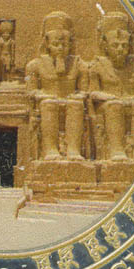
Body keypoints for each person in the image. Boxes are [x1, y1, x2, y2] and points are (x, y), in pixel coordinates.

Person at [88, 11, 134, 161]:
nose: (120, 49)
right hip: (109, 105)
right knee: (115, 106)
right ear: (105, 46)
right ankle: (117, 150)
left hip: (130, 102)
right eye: (115, 45)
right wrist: (109, 97)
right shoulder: (98, 65)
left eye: (124, 45)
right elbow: (93, 93)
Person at [26, 11, 88, 160]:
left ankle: (73, 150)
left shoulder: (79, 65)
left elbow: (85, 91)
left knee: (76, 105)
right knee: (49, 104)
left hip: (70, 100)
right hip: (47, 101)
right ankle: (50, 150)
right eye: (56, 44)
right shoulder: (35, 65)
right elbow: (31, 91)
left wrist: (78, 95)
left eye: (64, 45)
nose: (60, 48)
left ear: (70, 44)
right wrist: (41, 94)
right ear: (47, 44)